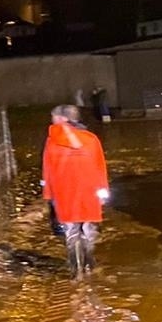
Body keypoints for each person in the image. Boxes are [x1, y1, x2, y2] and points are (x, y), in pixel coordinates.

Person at [42, 104, 111, 277]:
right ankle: (90, 265)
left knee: (71, 231)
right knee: (88, 229)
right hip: (89, 190)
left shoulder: (51, 141)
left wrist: (49, 195)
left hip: (64, 192)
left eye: (54, 117)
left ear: (62, 119)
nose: (52, 120)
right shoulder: (91, 139)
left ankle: (75, 269)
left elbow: (48, 170)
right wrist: (103, 192)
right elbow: (100, 166)